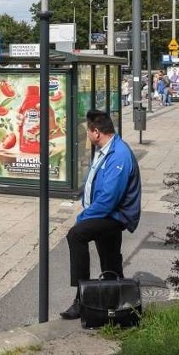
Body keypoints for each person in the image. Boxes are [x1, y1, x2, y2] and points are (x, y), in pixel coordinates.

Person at [60, 110, 142, 319]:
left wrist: (83, 217)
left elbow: (108, 199)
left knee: (76, 234)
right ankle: (119, 305)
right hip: (106, 214)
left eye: (88, 130)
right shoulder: (105, 149)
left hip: (115, 216)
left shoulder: (119, 155)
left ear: (96, 132)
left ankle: (82, 298)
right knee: (110, 260)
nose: (87, 135)